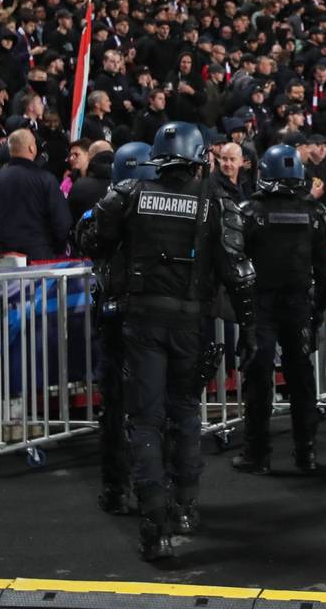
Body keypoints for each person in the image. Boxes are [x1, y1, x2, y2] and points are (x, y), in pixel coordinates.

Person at [80, 121, 257, 561]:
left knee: (145, 421)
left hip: (141, 324)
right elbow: (239, 273)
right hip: (188, 325)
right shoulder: (215, 203)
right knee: (184, 415)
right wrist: (250, 329)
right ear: (200, 158)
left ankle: (153, 525)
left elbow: (90, 240)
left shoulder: (128, 195)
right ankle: (184, 507)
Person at [232, 144, 326, 475]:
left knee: (259, 378)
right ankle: (306, 453)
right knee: (302, 379)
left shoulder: (248, 211)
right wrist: (316, 313)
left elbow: (234, 264)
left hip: (261, 306)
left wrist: (242, 311)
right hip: (297, 305)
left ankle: (257, 453)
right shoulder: (316, 214)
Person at [77, 141, 157, 515]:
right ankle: (159, 491)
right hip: (157, 320)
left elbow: (85, 241)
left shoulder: (109, 208)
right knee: (158, 409)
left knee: (117, 407)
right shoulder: (171, 205)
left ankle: (118, 489)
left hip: (120, 318)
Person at [0, 129, 72, 260]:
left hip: (3, 258)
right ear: (32, 148)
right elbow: (62, 222)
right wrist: (57, 249)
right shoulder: (45, 179)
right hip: (39, 258)